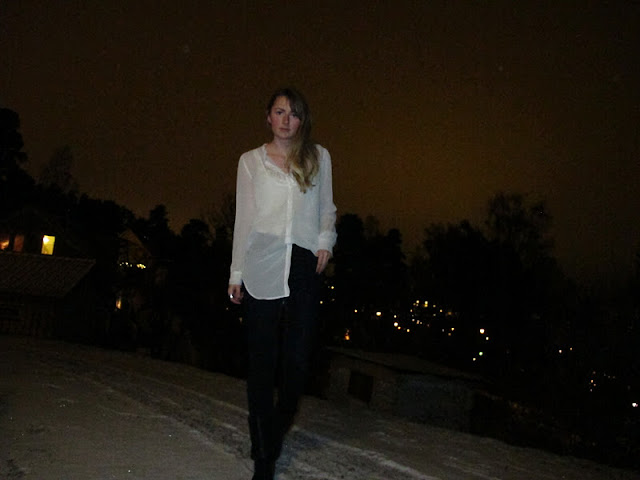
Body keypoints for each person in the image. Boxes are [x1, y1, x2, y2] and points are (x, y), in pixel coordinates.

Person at [228, 87, 337, 480]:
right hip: (261, 262)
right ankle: (264, 460)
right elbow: (244, 218)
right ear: (268, 117)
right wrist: (236, 273)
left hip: (304, 264)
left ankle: (270, 436)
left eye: (293, 113)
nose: (286, 120)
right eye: (279, 112)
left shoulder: (318, 157)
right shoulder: (250, 162)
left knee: (298, 364)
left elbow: (327, 208)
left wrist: (325, 241)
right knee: (261, 364)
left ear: (302, 120)